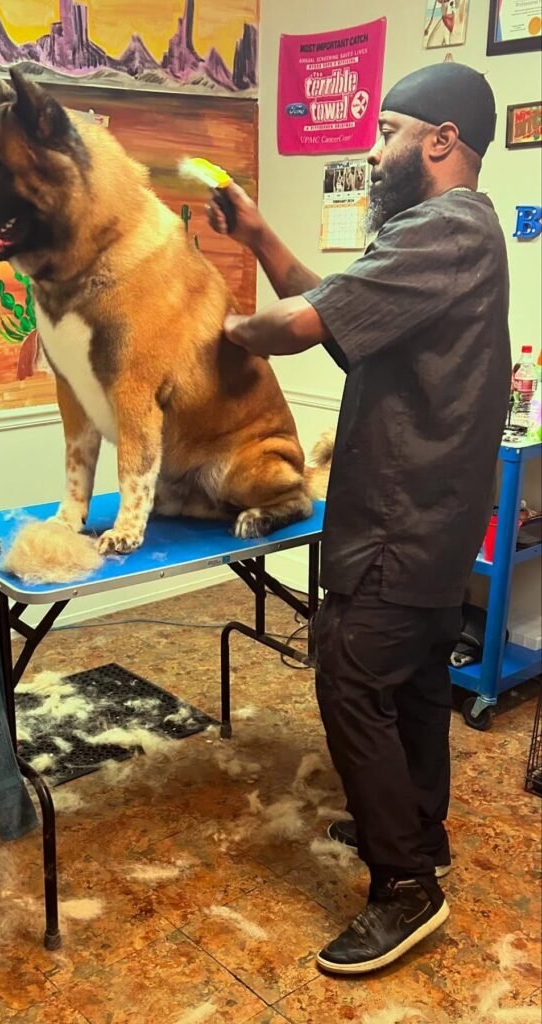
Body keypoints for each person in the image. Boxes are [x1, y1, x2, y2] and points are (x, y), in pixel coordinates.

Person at [207, 62, 510, 974]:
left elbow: (299, 325)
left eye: (385, 132)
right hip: (430, 517)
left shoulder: (442, 226)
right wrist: (259, 237)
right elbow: (331, 308)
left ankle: (405, 888)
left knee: (347, 677)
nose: (373, 153)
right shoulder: (448, 237)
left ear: (440, 140)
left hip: (398, 518)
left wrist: (205, 328)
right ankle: (416, 830)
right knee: (413, 681)